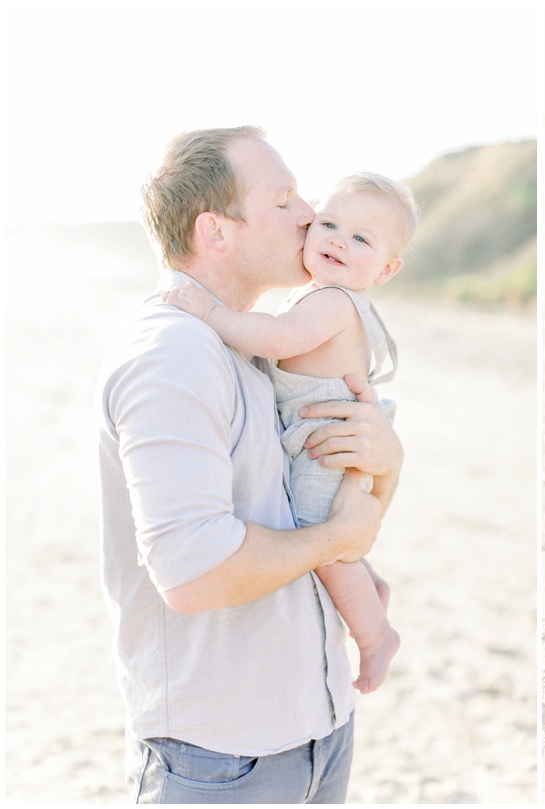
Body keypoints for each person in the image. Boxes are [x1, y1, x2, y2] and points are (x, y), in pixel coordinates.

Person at [97, 126, 403, 802]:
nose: (309, 213)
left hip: (316, 727)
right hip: (220, 757)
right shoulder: (173, 354)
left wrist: (388, 460)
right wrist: (334, 541)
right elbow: (194, 571)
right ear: (216, 231)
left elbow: (326, 509)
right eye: (284, 200)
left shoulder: (261, 349)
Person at [163, 171, 417, 695]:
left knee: (317, 532)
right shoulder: (324, 296)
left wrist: (210, 312)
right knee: (332, 532)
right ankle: (370, 587)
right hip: (325, 438)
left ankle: (375, 637)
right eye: (328, 224)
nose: (337, 240)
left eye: (361, 239)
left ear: (387, 269)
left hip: (325, 445)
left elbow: (277, 339)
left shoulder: (332, 302)